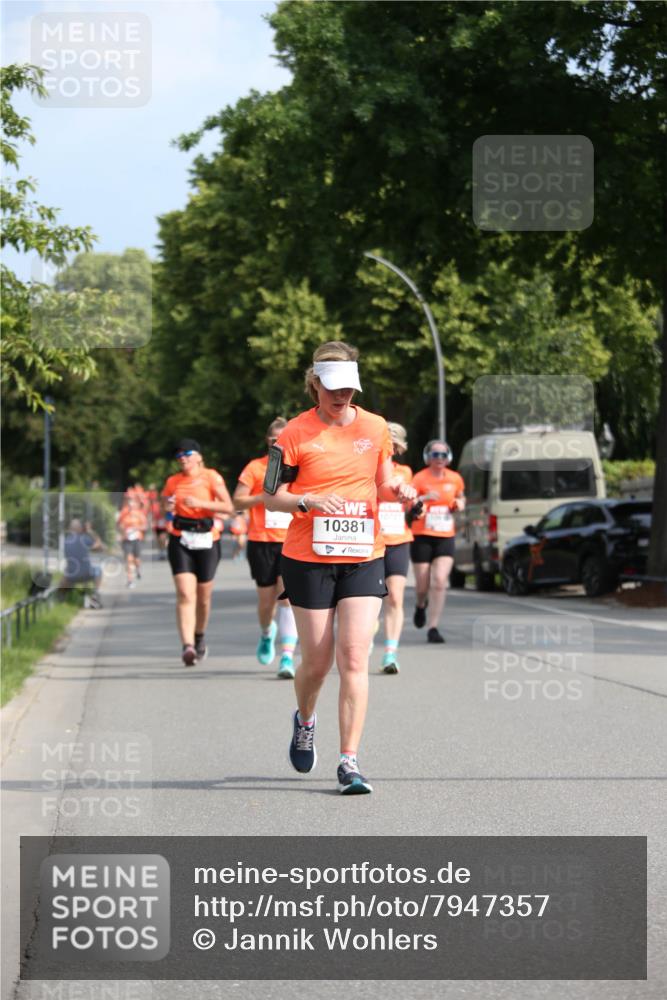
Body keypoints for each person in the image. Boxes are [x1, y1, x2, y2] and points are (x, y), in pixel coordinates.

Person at [263, 341, 416, 795]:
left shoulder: (375, 427)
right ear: (314, 384)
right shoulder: (293, 433)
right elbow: (272, 496)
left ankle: (349, 762)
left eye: (349, 388)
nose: (342, 396)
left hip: (364, 553)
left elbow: (384, 482)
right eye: (333, 388)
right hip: (308, 557)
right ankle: (305, 720)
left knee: (354, 655)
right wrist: (306, 499)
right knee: (317, 661)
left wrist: (400, 492)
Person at [233, 418, 299, 678]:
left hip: (291, 540)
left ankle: (286, 657)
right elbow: (237, 501)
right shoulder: (255, 467)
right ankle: (266, 632)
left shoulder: (298, 466)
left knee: (288, 598)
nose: (278, 444)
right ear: (267, 441)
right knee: (266, 601)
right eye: (274, 440)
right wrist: (263, 497)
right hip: (261, 541)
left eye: (283, 439)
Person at [161, 439, 234, 666]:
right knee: (185, 594)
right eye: (179, 456)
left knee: (203, 598)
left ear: (199, 456)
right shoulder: (173, 481)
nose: (182, 458)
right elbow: (166, 504)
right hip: (180, 538)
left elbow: (228, 507)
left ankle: (199, 636)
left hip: (207, 539)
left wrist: (201, 503)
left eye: (187, 453)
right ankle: (187, 646)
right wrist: (168, 507)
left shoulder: (212, 477)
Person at [409, 440, 465, 643]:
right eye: (435, 454)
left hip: (445, 536)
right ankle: (420, 604)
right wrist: (423, 499)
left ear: (448, 457)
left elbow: (461, 497)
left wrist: (459, 503)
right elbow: (409, 504)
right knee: (422, 585)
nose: (439, 458)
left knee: (440, 581)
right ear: (428, 457)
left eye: (443, 455)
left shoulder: (455, 478)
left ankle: (433, 627)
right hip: (422, 535)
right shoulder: (419, 477)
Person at [377, 422, 414, 674]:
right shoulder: (369, 470)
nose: (389, 448)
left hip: (399, 540)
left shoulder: (406, 472)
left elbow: (410, 503)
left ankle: (390, 653)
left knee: (395, 597)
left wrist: (416, 505)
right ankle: (365, 636)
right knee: (368, 600)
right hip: (371, 542)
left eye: (393, 444)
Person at [62, 519, 104, 607]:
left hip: (71, 576)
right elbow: (100, 547)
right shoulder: (84, 539)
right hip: (86, 574)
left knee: (66, 572)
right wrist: (90, 531)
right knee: (98, 570)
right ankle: (95, 594)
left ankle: (62, 599)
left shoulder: (66, 541)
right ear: (80, 529)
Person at [117, 496, 148, 588]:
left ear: (136, 504)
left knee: (136, 560)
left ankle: (138, 568)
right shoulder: (123, 513)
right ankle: (130, 580)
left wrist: (137, 528)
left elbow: (145, 527)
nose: (130, 505)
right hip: (126, 539)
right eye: (129, 503)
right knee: (128, 560)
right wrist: (122, 529)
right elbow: (118, 525)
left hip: (136, 539)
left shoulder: (139, 514)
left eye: (133, 503)